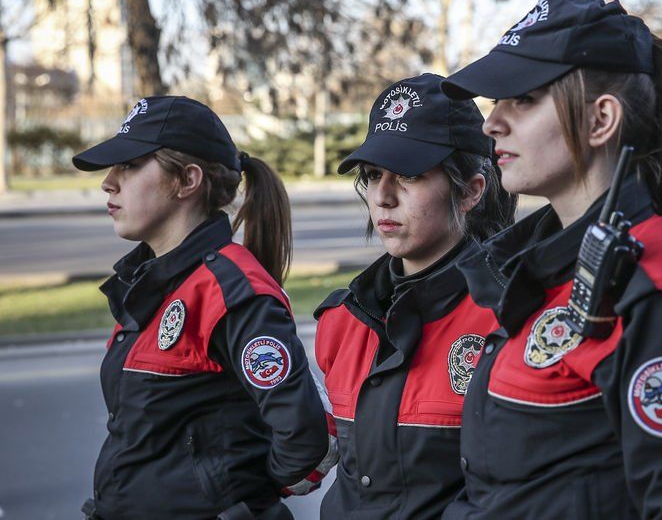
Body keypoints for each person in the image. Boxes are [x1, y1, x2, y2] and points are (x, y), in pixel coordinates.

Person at [438, 0, 662, 519]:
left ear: (601, 119)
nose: (492, 123)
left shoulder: (655, 279)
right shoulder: (549, 265)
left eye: (524, 99)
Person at [73, 96, 334, 520]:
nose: (109, 182)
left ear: (187, 180)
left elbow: (304, 438)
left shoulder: (231, 290)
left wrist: (239, 499)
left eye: (130, 165)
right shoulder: (152, 282)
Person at [313, 73, 517, 519]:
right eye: (373, 175)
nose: (383, 197)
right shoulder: (343, 319)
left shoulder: (509, 318)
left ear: (471, 191)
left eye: (408, 175)